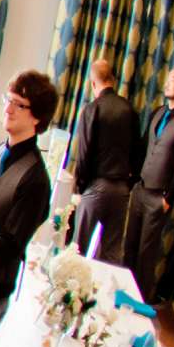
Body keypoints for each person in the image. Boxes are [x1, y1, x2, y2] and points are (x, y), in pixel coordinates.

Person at [0, 70, 57, 326]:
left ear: (37, 117)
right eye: (8, 100)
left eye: (19, 104)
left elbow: (11, 245)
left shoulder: (36, 179)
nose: (8, 109)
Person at [127, 65, 174, 301]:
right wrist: (133, 179)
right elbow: (143, 147)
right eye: (168, 78)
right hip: (140, 188)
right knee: (130, 245)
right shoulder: (157, 112)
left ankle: (138, 301)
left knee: (146, 254)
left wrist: (169, 198)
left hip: (159, 197)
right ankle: (121, 295)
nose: (168, 83)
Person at [68, 58, 138, 260]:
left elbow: (84, 153)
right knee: (110, 254)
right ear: (113, 80)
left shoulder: (92, 109)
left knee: (77, 251)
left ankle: (72, 290)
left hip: (96, 186)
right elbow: (139, 152)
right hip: (122, 189)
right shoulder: (130, 110)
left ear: (92, 83)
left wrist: (81, 186)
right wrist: (129, 182)